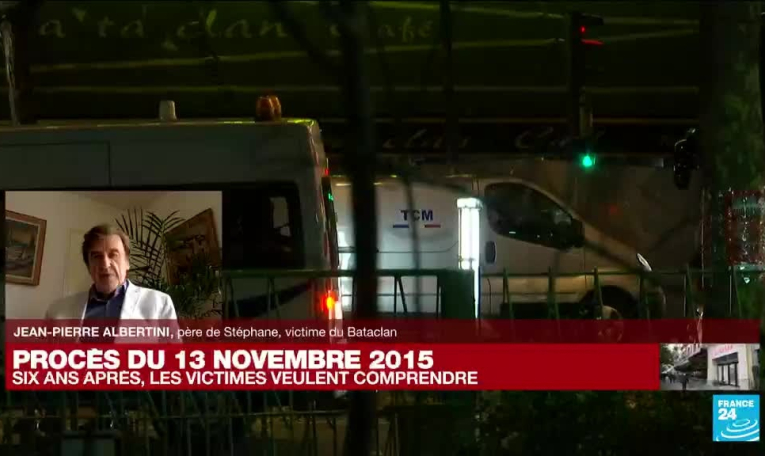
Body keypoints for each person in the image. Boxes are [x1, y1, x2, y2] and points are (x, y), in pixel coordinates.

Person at [45, 224, 178, 321]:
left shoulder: (160, 304)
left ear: (127, 262)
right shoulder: (57, 312)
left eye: (113, 255)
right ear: (88, 266)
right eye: (97, 256)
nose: (105, 264)